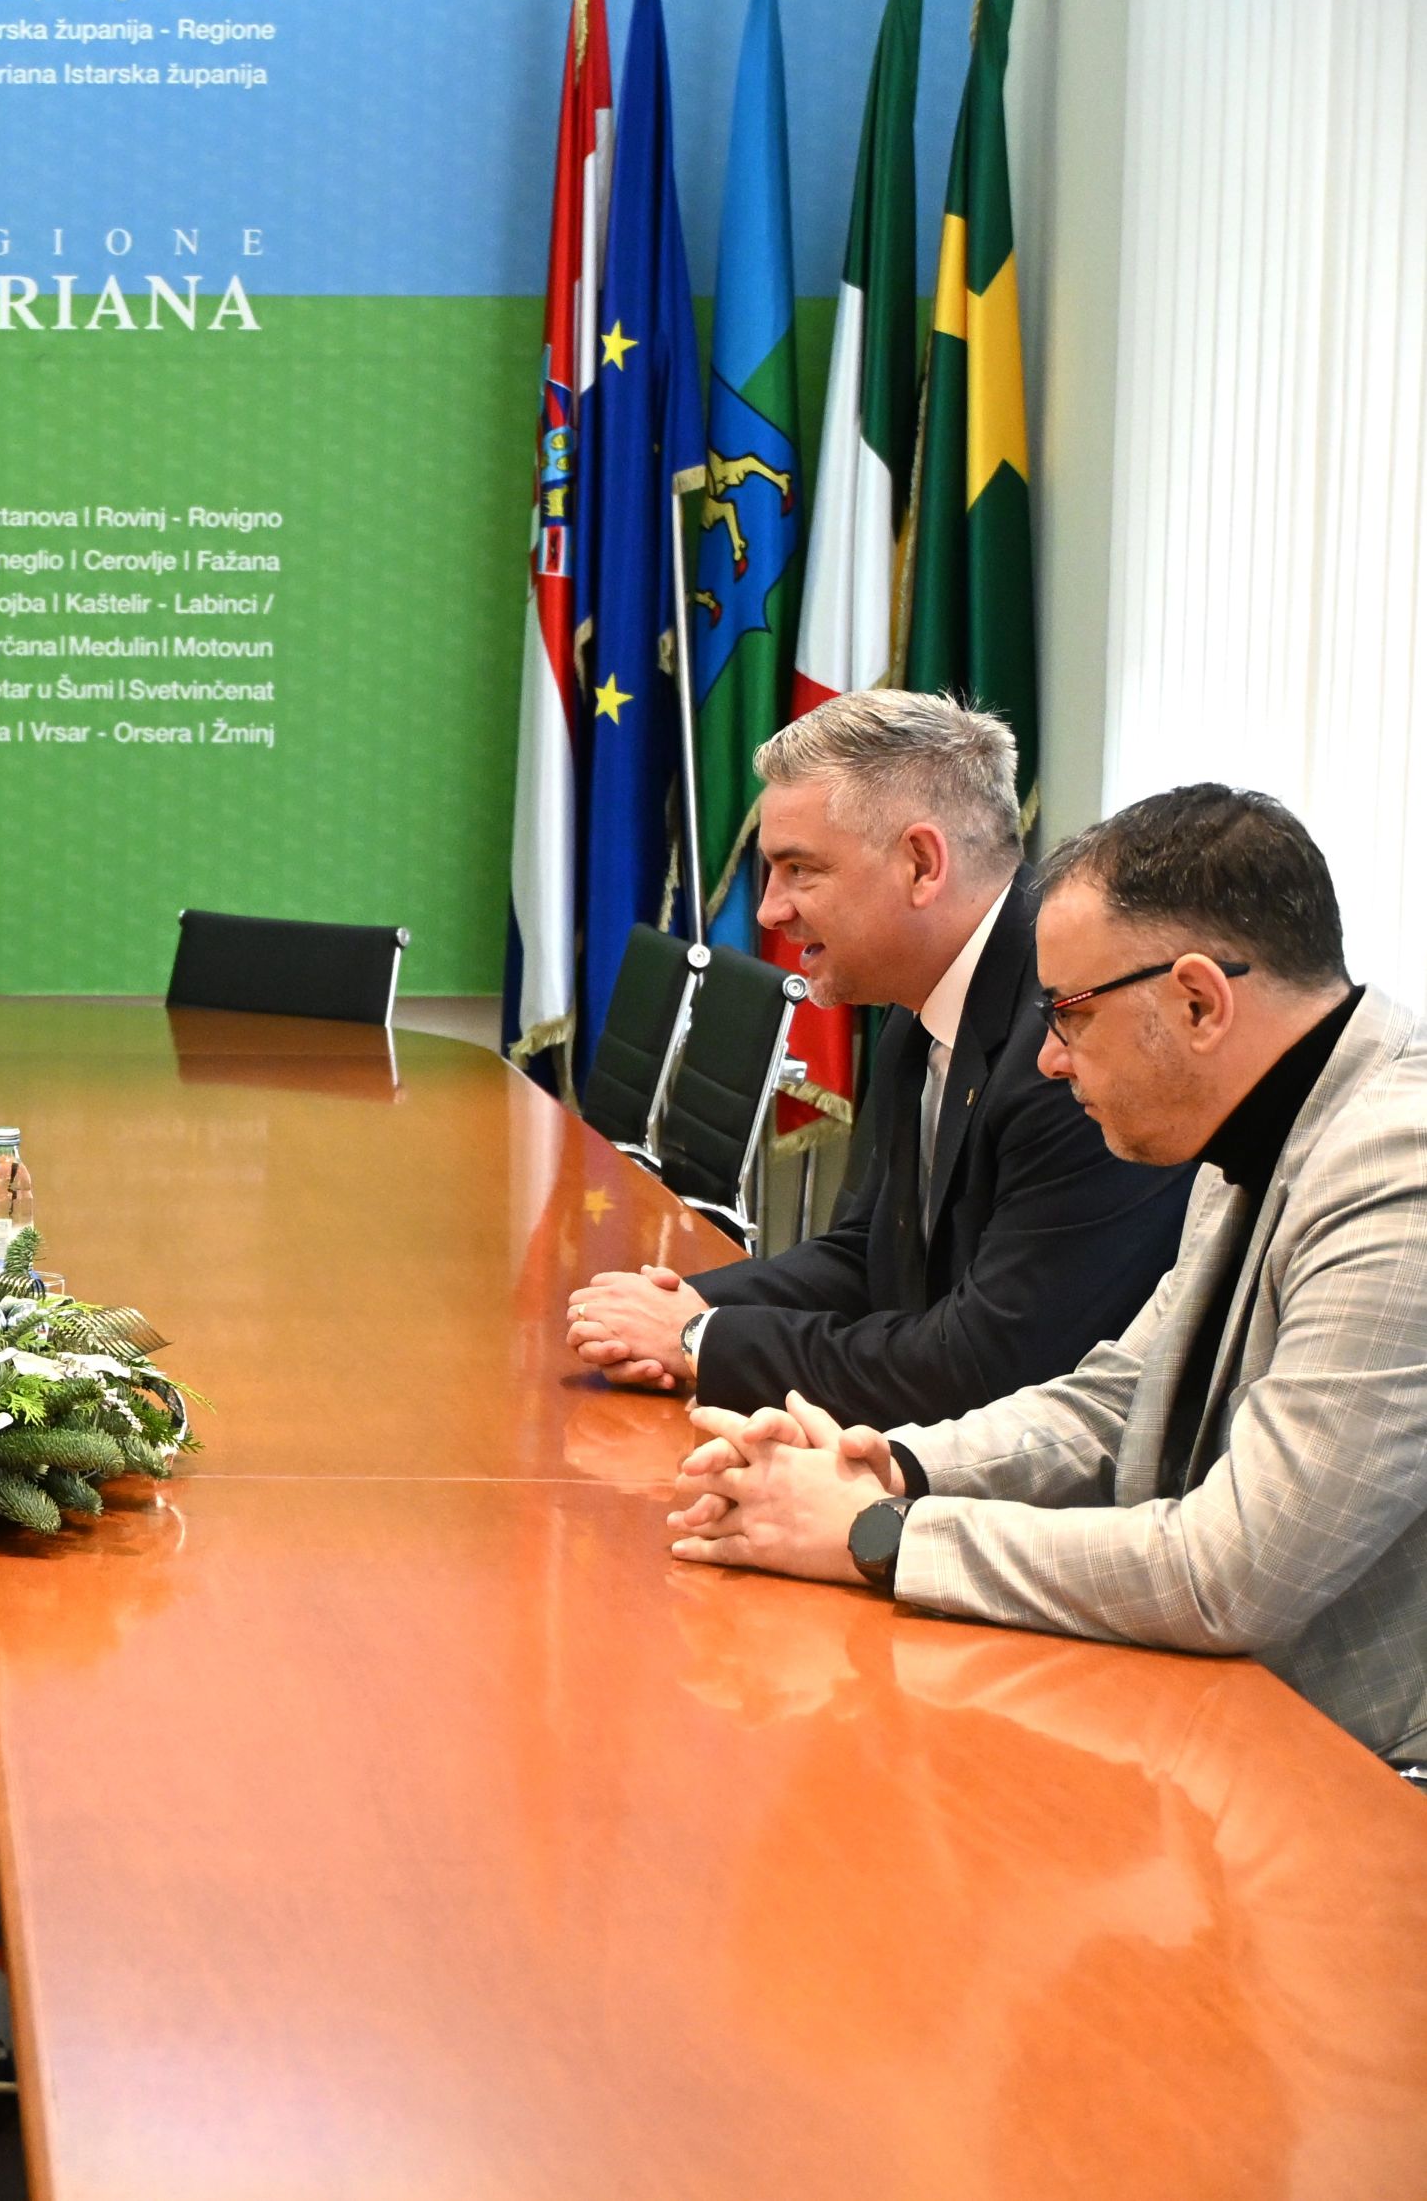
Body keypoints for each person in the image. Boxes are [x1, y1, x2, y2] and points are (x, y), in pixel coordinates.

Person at [666, 785, 1427, 1771]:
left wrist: (880, 1533)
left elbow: (1230, 1569)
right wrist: (890, 1465)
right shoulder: (1255, 1106)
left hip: (1365, 1783)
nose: (1049, 1059)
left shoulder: (1396, 1173)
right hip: (1221, 1726)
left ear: (1198, 1002)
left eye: (1068, 1013)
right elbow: (1115, 1399)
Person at [568, 691, 1188, 1421]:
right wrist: (687, 1302)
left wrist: (700, 1340)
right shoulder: (924, 989)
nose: (769, 909)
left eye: (800, 869)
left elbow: (990, 1367)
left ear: (922, 864)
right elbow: (871, 1253)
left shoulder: (1071, 1040)